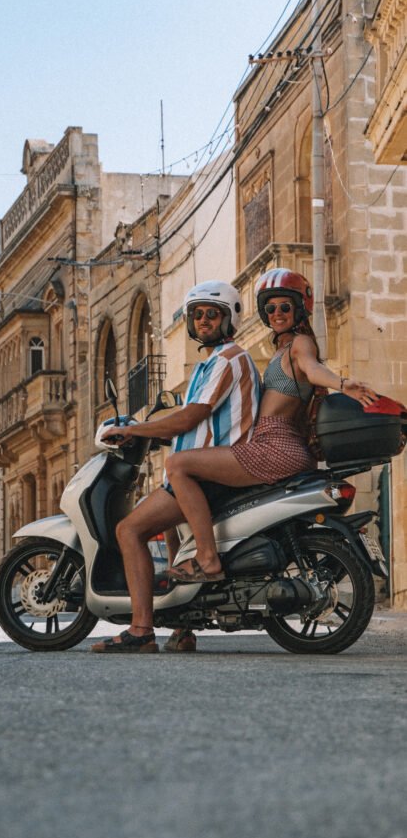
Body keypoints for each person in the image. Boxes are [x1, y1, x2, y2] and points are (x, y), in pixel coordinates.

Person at [165, 268, 379, 584]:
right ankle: (180, 611)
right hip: (271, 446)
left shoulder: (300, 344)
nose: (277, 314)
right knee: (171, 506)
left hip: (275, 447)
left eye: (284, 307)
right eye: (271, 308)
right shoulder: (282, 348)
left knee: (177, 465)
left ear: (299, 309)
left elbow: (313, 368)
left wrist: (342, 383)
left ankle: (208, 558)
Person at [91, 280, 261, 653]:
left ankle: (141, 630)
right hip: (200, 470)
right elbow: (190, 419)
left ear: (228, 319)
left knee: (129, 531)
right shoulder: (208, 365)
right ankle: (182, 627)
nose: (203, 321)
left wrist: (133, 428)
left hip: (214, 469)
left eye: (211, 315)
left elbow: (189, 419)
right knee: (171, 536)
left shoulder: (228, 359)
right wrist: (146, 431)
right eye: (197, 315)